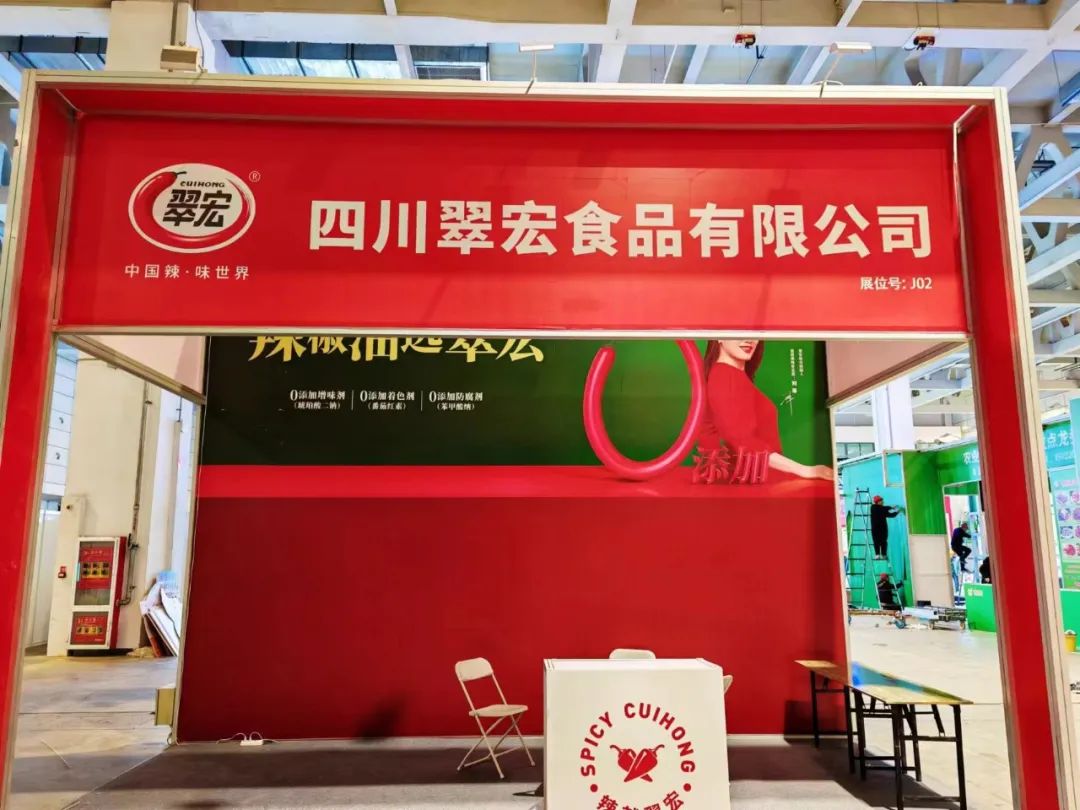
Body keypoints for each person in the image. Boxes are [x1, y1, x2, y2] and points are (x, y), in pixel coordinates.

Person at [696, 340, 834, 481]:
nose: (749, 340)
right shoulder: (724, 375)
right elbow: (740, 440)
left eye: (753, 334)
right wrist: (805, 470)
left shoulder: (735, 376)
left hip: (758, 478)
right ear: (719, 337)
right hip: (745, 482)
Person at [870, 495, 901, 559]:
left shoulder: (882, 509)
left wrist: (895, 511)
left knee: (883, 542)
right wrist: (892, 508)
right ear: (877, 502)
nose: (883, 502)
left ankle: (883, 554)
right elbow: (883, 509)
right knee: (876, 541)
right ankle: (877, 554)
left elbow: (889, 514)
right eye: (881, 501)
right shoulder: (873, 507)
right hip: (876, 529)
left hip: (883, 528)